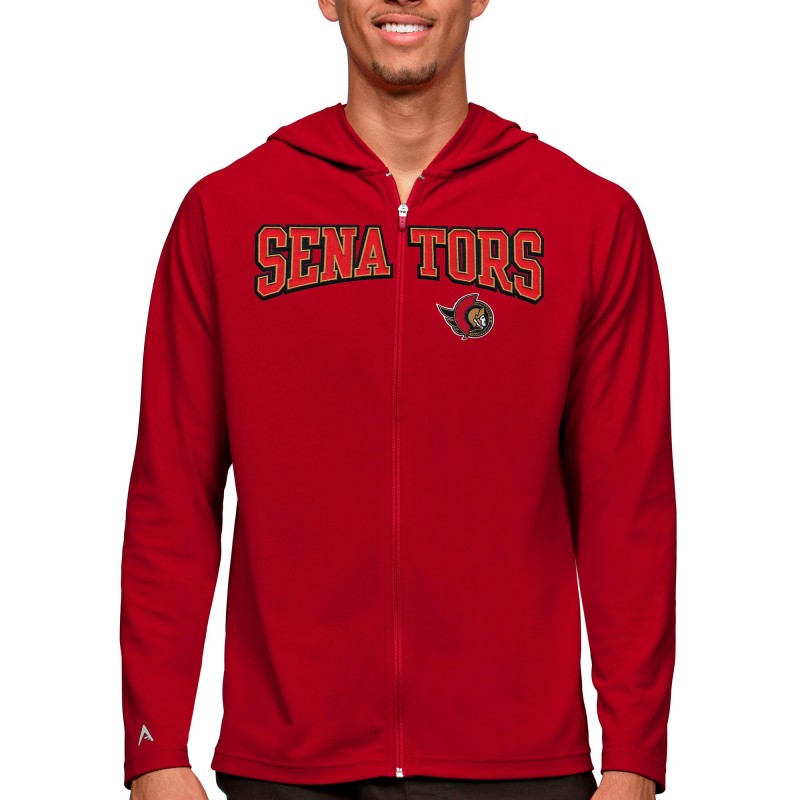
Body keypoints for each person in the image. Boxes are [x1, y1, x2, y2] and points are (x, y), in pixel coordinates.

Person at [119, 1, 677, 799]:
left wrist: (634, 759)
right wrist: (154, 748)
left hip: (519, 768)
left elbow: (630, 506)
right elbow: (171, 494)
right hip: (286, 768)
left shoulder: (588, 219)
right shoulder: (227, 215)